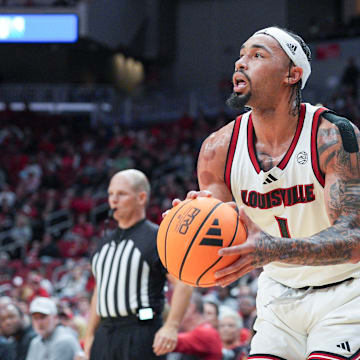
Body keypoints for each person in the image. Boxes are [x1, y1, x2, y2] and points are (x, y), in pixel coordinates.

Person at [172, 26, 360, 359]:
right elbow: (225, 237)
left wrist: (274, 249)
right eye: (241, 54)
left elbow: (354, 240)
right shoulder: (217, 149)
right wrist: (189, 224)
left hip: (345, 293)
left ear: (292, 74)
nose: (241, 62)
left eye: (258, 55)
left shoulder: (332, 138)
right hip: (277, 297)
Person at [83, 169, 193, 360]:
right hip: (105, 332)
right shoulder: (104, 241)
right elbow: (99, 291)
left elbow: (184, 283)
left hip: (141, 331)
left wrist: (171, 326)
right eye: (110, 194)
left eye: (121, 194)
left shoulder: (158, 237)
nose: (113, 200)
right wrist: (90, 334)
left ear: (141, 198)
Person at [167, 291, 223, 360]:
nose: (172, 313)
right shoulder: (202, 330)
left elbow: (165, 342)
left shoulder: (205, 332)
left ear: (190, 308)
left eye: (175, 308)